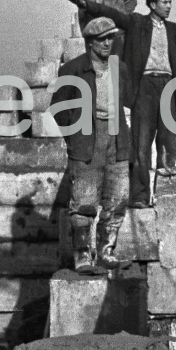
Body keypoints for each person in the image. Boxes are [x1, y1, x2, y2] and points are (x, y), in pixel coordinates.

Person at [64, 0, 176, 207]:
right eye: (165, 2)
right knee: (141, 146)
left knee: (168, 144)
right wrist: (86, 5)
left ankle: (168, 198)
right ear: (153, 4)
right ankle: (140, 198)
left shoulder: (175, 30)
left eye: (170, 2)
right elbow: (113, 14)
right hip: (145, 88)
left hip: (169, 86)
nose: (169, 6)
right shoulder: (137, 23)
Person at [51, 16, 134, 274]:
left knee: (117, 198)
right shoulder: (73, 70)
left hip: (117, 138)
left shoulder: (120, 68)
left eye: (111, 38)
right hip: (87, 140)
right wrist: (75, 135)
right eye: (102, 39)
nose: (108, 43)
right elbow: (58, 108)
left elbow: (129, 99)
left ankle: (107, 252)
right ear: (90, 42)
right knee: (84, 203)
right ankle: (83, 255)